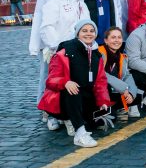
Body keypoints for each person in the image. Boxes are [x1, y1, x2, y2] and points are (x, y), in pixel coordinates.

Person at [38, 19, 113, 147]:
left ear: (96, 34)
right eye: (84, 31)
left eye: (91, 31)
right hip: (65, 98)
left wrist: (103, 101)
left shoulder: (97, 55)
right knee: (73, 90)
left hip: (84, 98)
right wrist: (65, 82)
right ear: (78, 33)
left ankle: (75, 121)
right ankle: (80, 133)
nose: (88, 34)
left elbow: (100, 81)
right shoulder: (64, 52)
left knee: (98, 120)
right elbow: (50, 80)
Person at [38, 0, 90, 107]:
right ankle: (49, 113)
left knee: (72, 83)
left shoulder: (82, 4)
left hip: (78, 51)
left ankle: (69, 113)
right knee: (56, 82)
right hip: (60, 51)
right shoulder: (54, 2)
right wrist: (57, 46)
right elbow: (47, 27)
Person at [30, 0, 74, 69]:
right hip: (49, 39)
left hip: (68, 38)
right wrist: (35, 46)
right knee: (47, 74)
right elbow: (39, 15)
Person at [98, 27, 141, 121]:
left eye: (119, 37)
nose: (117, 40)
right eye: (113, 37)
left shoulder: (122, 56)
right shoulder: (99, 53)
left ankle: (115, 109)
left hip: (116, 90)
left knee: (138, 96)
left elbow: (127, 76)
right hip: (101, 92)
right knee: (111, 117)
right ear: (106, 40)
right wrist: (124, 88)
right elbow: (101, 74)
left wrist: (131, 93)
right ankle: (105, 111)